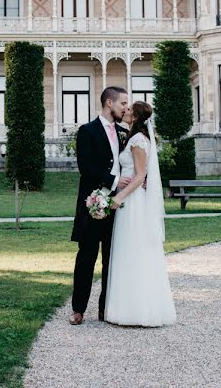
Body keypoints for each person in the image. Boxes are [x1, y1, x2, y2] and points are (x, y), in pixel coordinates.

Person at [104, 100, 177, 327]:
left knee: (132, 251)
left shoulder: (137, 140)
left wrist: (119, 197)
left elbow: (140, 176)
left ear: (135, 116)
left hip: (133, 202)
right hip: (134, 199)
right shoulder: (135, 137)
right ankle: (129, 307)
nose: (125, 111)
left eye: (129, 109)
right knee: (131, 251)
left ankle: (134, 310)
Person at [69, 86, 130, 326]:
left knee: (111, 259)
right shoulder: (87, 131)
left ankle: (106, 309)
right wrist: (113, 180)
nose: (126, 108)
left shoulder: (125, 133)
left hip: (118, 205)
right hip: (92, 204)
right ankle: (78, 309)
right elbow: (86, 167)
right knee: (86, 257)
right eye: (122, 103)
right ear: (109, 103)